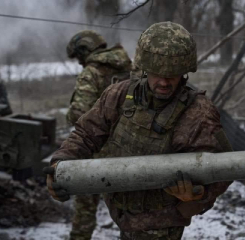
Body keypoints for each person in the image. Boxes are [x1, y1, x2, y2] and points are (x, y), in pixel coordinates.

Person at [45, 22, 232, 240]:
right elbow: (85, 132)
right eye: (157, 73)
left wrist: (197, 195)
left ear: (185, 71)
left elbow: (223, 167)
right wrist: (60, 163)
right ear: (144, 67)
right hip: (122, 212)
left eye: (172, 74)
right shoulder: (119, 94)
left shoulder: (198, 112)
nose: (163, 81)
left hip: (161, 222)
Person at [65, 30, 132, 240]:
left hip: (96, 153)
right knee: (131, 214)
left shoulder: (91, 73)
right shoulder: (129, 67)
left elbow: (79, 113)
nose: (79, 63)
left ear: (85, 51)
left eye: (78, 57)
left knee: (85, 210)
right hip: (130, 151)